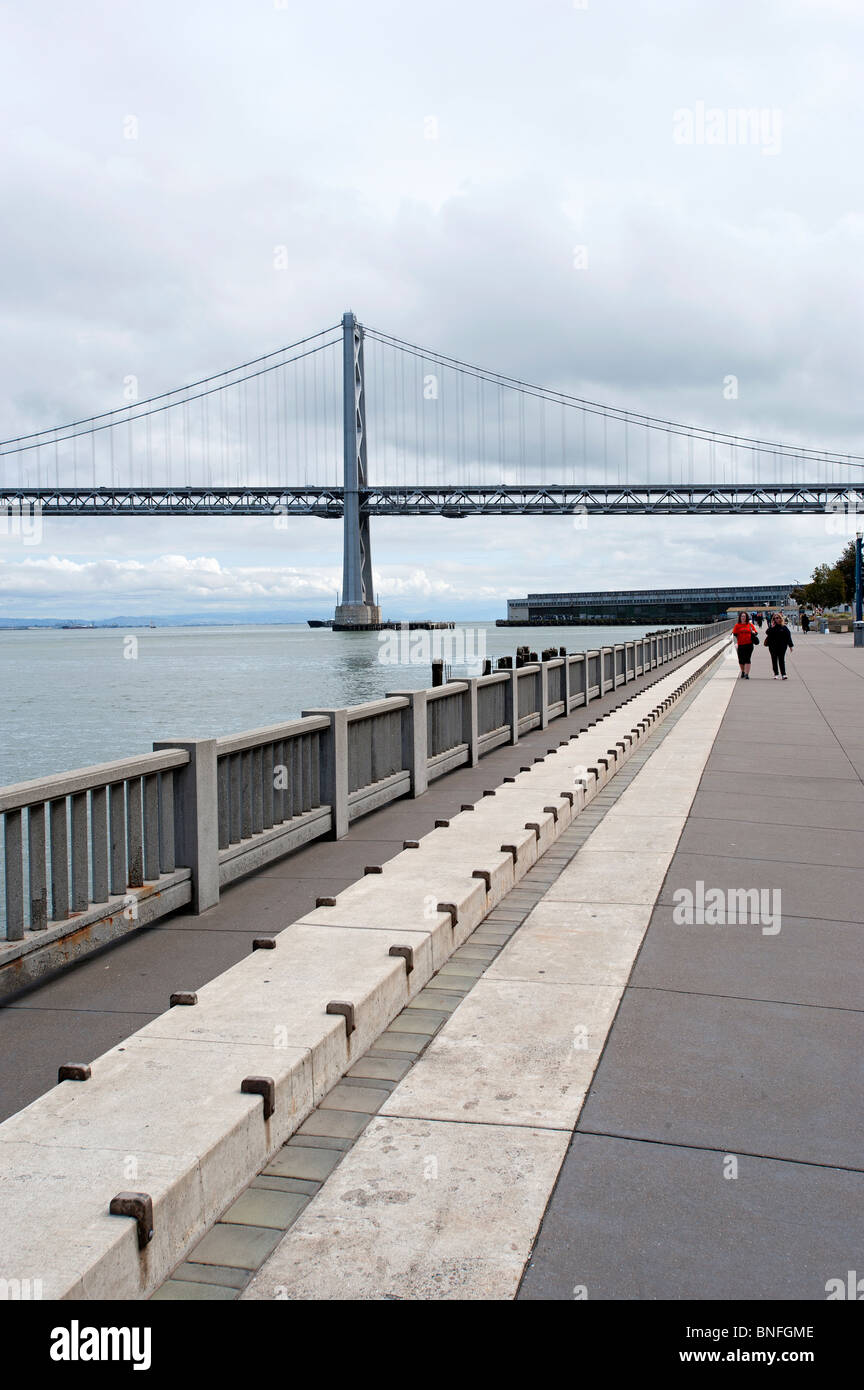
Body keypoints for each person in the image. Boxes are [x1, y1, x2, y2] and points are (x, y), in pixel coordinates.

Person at [765, 612, 794, 679]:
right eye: (774, 618)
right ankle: (776, 674)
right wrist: (771, 627)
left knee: (781, 659)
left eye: (777, 618)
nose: (776, 619)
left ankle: (783, 674)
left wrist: (790, 646)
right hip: (772, 646)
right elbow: (767, 632)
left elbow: (788, 637)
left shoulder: (784, 627)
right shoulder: (772, 627)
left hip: (782, 646)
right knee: (774, 660)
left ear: (780, 619)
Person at [731, 610, 758, 679]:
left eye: (744, 616)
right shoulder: (737, 625)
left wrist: (753, 632)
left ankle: (746, 674)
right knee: (741, 660)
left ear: (746, 617)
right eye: (742, 616)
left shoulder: (750, 625)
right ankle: (743, 671)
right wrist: (736, 643)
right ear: (740, 617)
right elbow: (734, 635)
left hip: (749, 644)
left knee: (747, 659)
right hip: (740, 644)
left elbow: (755, 632)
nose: (743, 617)